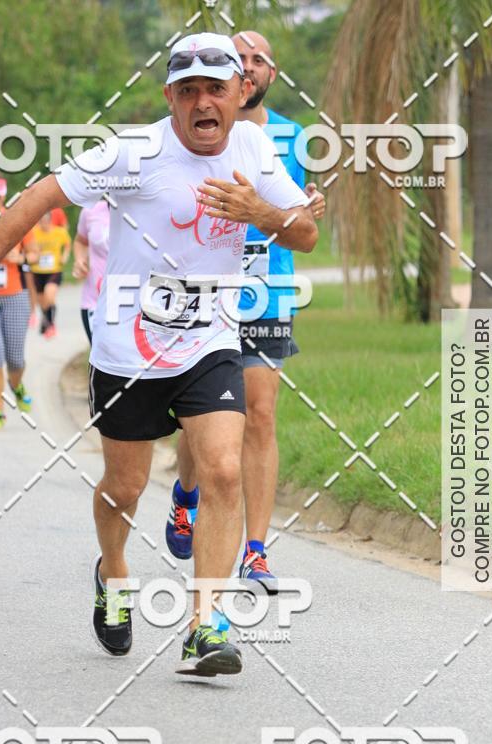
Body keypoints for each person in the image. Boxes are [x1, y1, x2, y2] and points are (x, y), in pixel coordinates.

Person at [0, 33, 318, 677]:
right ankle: (112, 573)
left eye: (214, 89)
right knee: (126, 487)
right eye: (186, 90)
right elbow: (37, 199)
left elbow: (305, 232)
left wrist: (260, 210)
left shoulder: (254, 146)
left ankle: (206, 625)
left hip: (210, 339)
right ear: (169, 96)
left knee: (222, 468)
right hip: (129, 347)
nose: (201, 102)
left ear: (239, 93)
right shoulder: (132, 153)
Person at [166, 30, 326, 592]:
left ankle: (255, 551)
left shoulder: (291, 135)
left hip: (267, 292)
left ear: (266, 76)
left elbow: (299, 217)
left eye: (260, 59)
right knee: (203, 417)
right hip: (204, 295)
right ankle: (186, 494)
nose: (251, 66)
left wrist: (308, 208)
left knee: (259, 414)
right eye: (243, 57)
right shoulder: (193, 129)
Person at [0, 168, 39, 431]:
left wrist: (20, 258)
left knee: (15, 358)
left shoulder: (16, 219)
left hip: (15, 296)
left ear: (2, 195)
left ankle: (17, 385)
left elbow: (35, 254)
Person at [72, 198, 111, 344]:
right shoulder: (90, 211)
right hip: (94, 301)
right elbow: (81, 241)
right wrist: (79, 261)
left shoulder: (143, 210)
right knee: (101, 360)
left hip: (132, 303)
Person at [30, 211, 70, 338]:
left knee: (49, 294)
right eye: (41, 222)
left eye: (46, 221)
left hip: (54, 270)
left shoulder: (59, 232)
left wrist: (64, 256)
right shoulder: (34, 233)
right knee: (42, 302)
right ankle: (46, 320)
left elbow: (68, 245)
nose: (44, 224)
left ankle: (50, 324)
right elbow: (27, 246)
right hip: (37, 271)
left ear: (50, 221)